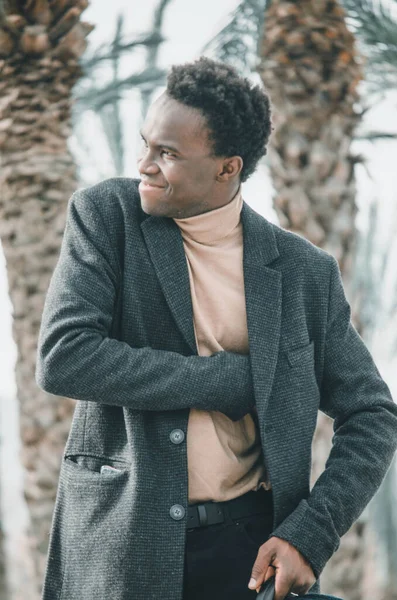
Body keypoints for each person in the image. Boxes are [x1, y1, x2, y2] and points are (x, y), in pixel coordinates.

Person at [35, 57, 397, 600]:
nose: (145, 164)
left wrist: (309, 535)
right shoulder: (106, 217)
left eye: (168, 154)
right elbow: (65, 355)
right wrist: (220, 381)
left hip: (248, 552)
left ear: (228, 168)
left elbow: (373, 415)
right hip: (124, 548)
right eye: (146, 144)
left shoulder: (302, 273)